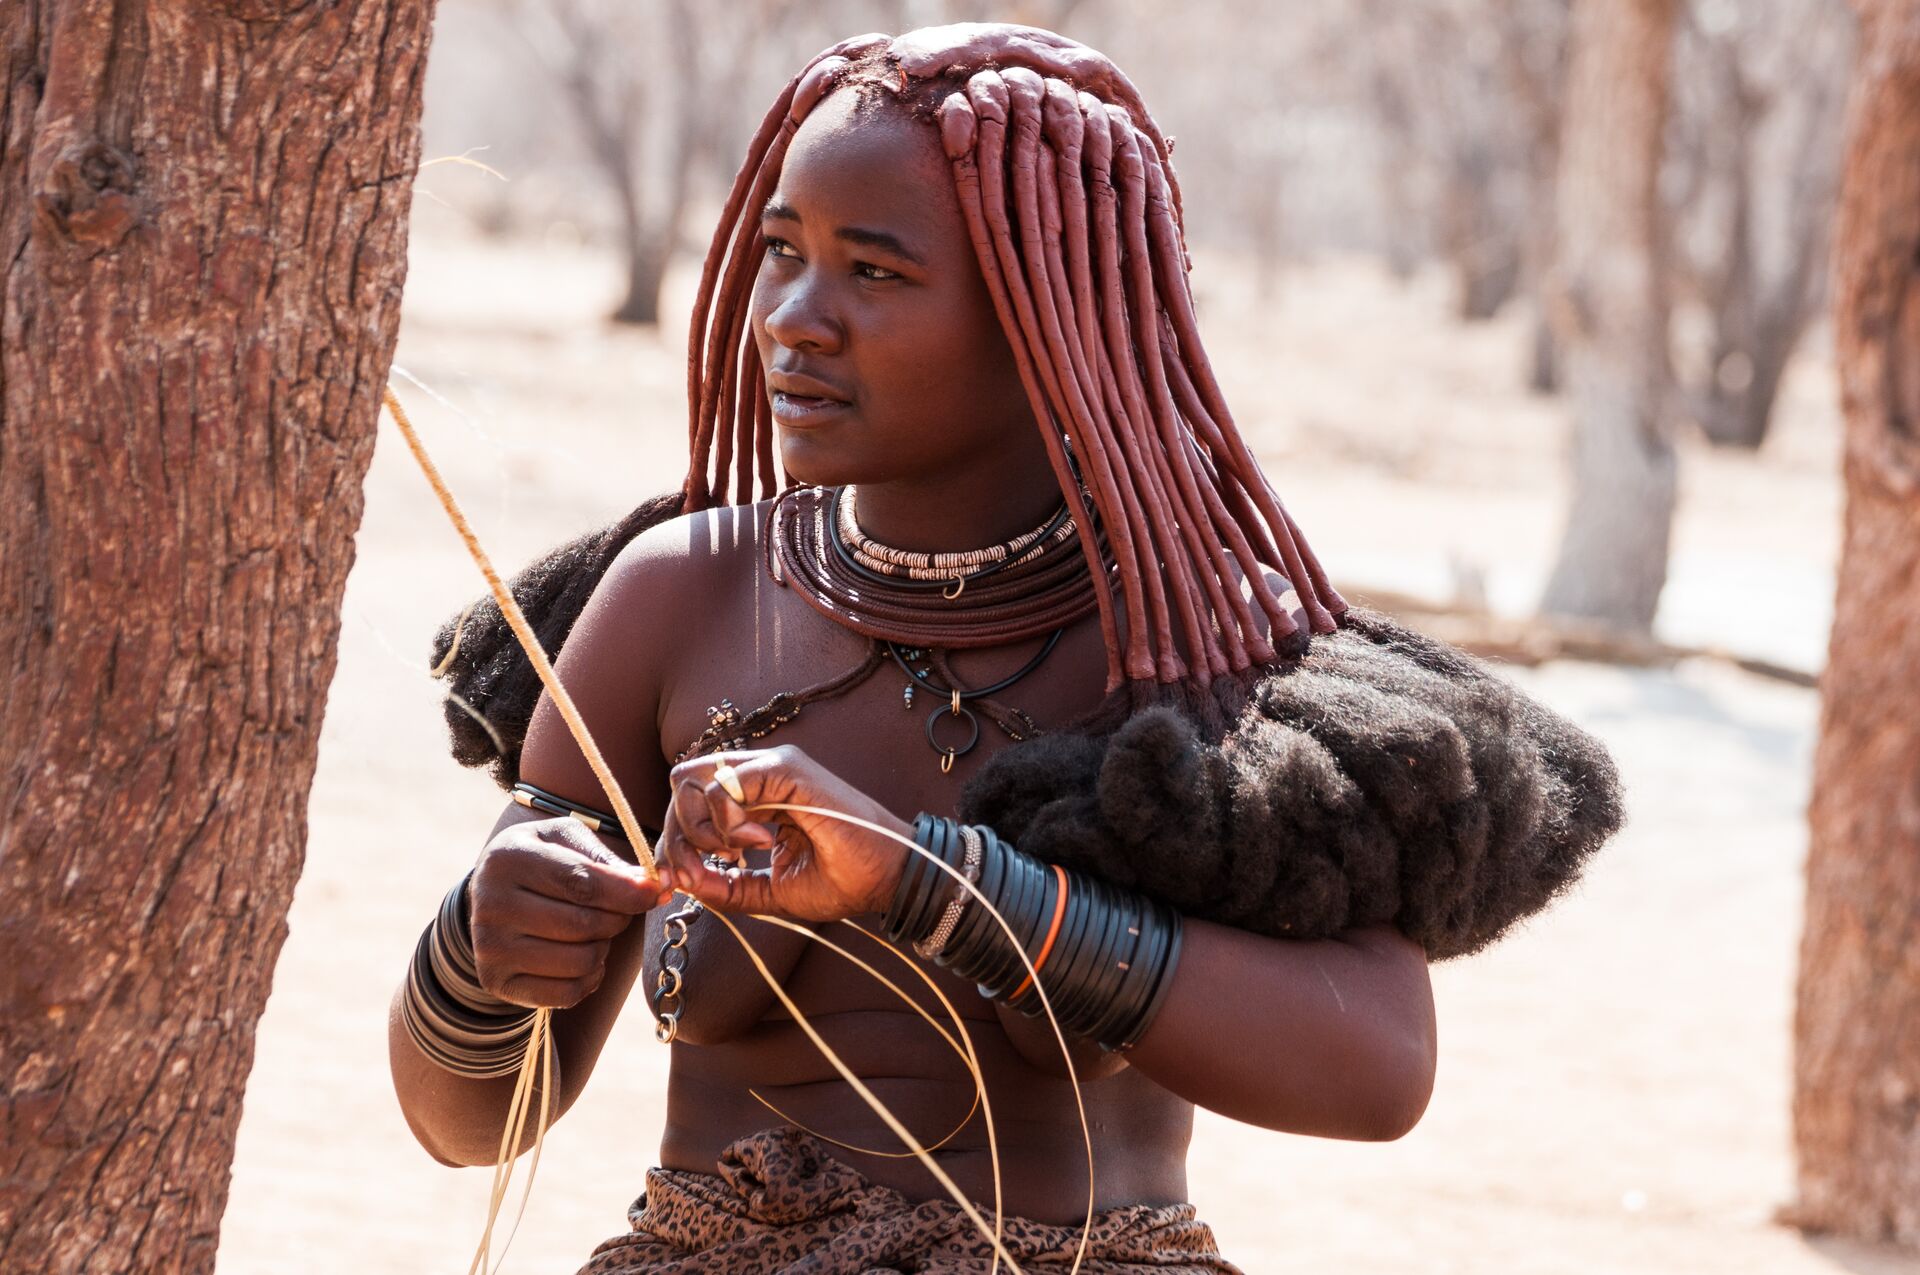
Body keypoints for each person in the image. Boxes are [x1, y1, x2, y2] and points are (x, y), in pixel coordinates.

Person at [388, 24, 1623, 1274]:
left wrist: (928, 884)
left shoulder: (1192, 641)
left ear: (1053, 319)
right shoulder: (678, 598)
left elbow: (1379, 1072)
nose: (795, 320)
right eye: (781, 254)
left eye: (872, 273)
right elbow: (465, 1123)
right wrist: (481, 952)